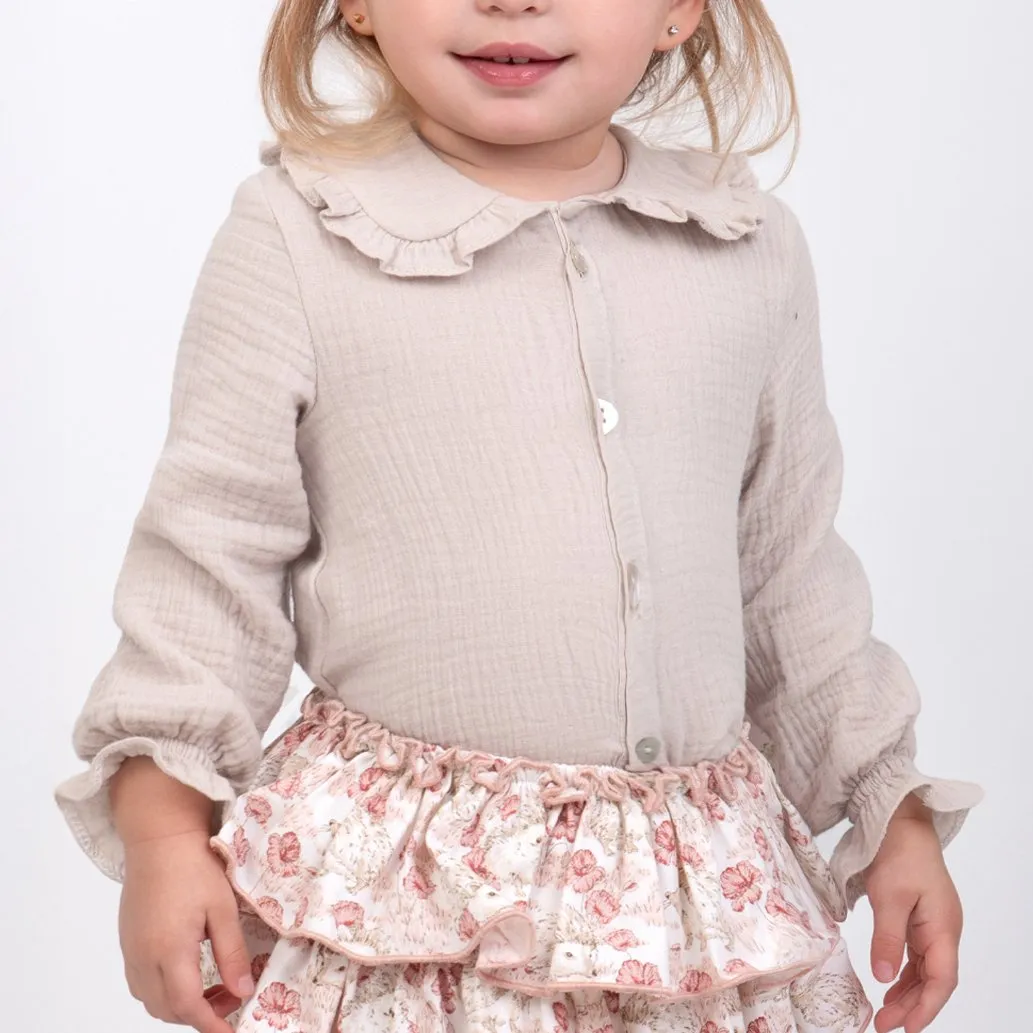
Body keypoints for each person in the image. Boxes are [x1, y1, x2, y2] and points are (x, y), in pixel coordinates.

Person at [54, 1, 984, 1031]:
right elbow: (209, 560)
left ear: (678, 10)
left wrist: (889, 812)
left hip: (698, 913)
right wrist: (163, 835)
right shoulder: (295, 237)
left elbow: (788, 571)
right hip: (408, 911)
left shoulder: (747, 246)